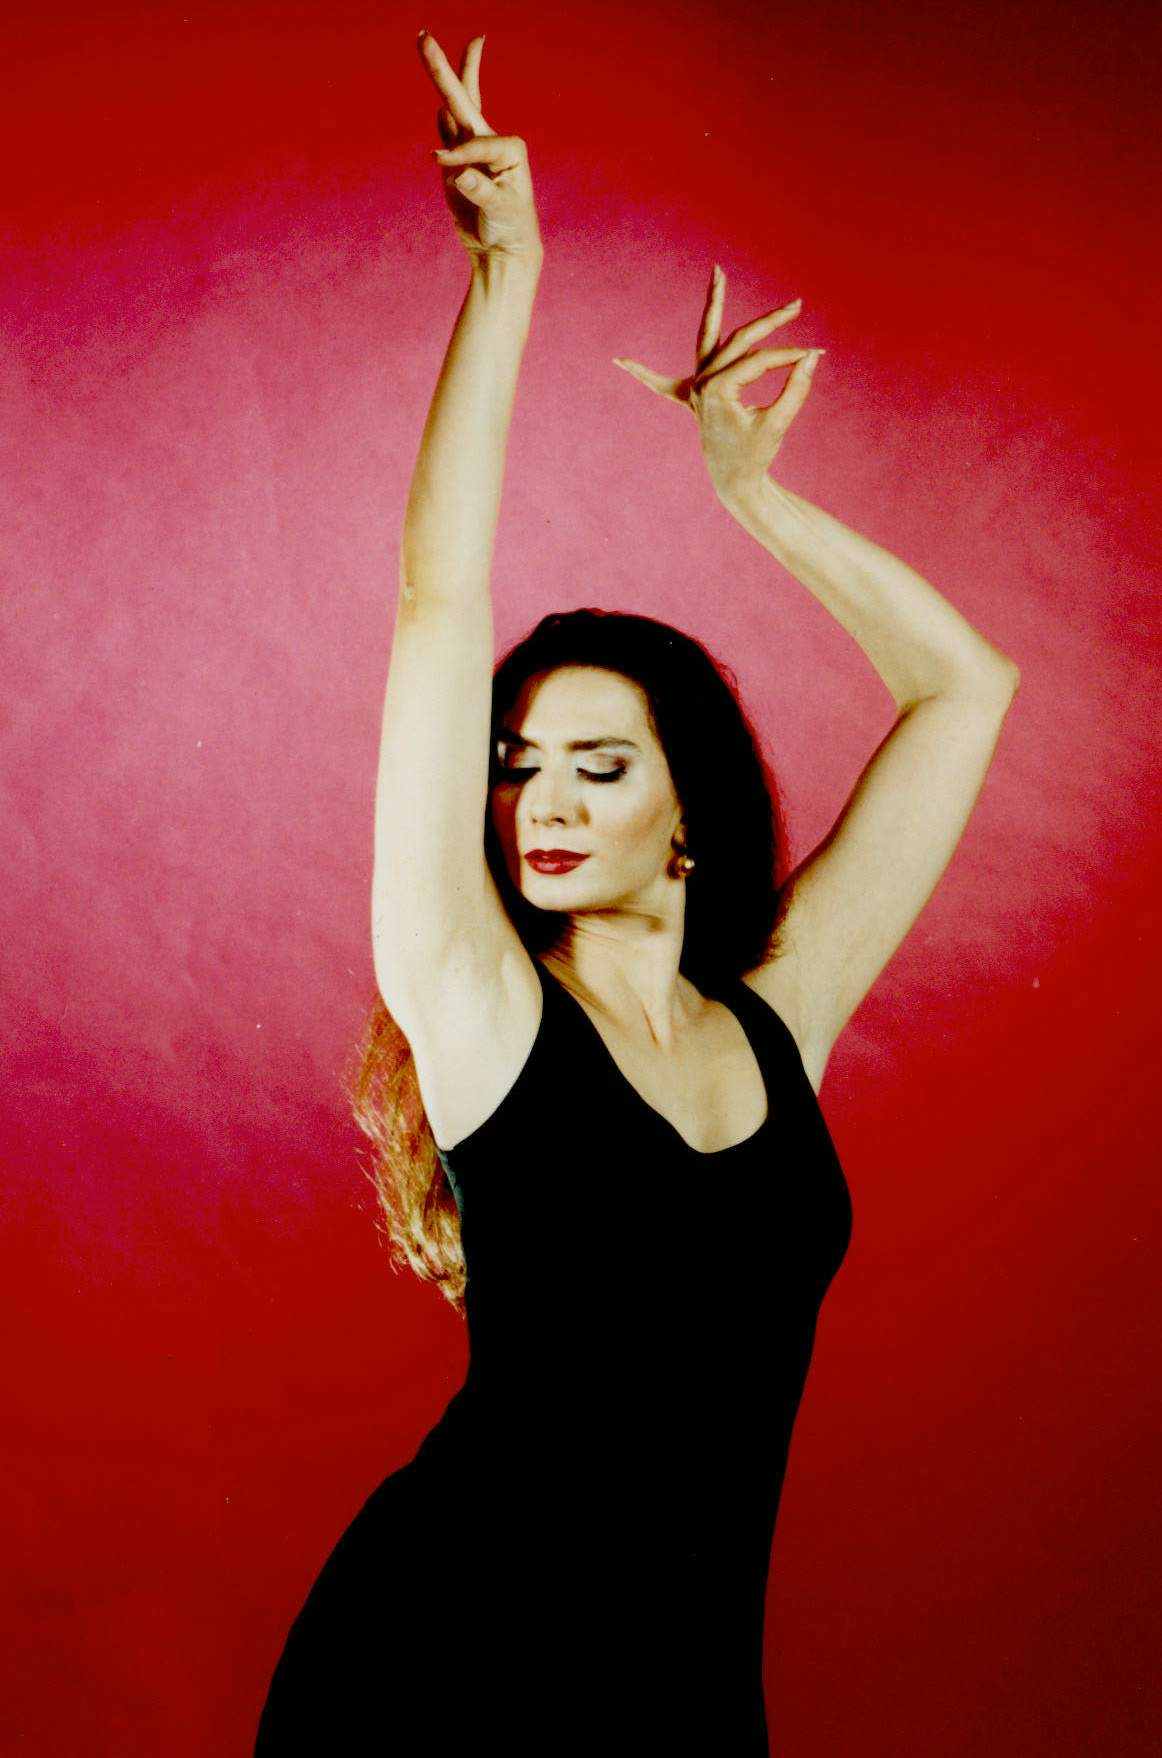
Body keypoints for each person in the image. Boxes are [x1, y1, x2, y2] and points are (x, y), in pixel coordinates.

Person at [254, 29, 1021, 1757]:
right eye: (518, 763)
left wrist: (752, 497)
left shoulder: (779, 1012)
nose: (539, 798)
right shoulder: (478, 1007)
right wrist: (504, 282)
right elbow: (437, 602)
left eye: (598, 765)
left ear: (690, 817)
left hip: (679, 1693)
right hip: (439, 1674)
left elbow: (964, 691)